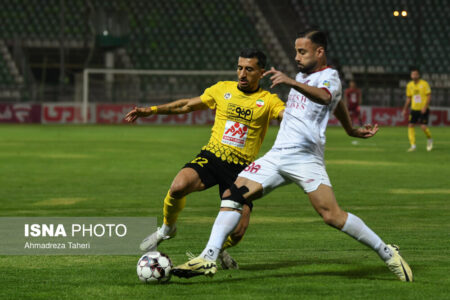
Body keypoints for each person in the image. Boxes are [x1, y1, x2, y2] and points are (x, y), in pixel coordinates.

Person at [172, 30, 413, 282]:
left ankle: (388, 254)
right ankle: (208, 258)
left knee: (331, 215)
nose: (297, 57)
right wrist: (350, 128)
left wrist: (292, 82)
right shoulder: (304, 75)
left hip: (305, 157)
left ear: (319, 52)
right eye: (296, 51)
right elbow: (337, 102)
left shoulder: (328, 76)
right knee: (233, 194)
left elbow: (327, 96)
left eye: (302, 51)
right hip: (277, 155)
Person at [125, 49, 285, 269]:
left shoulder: (268, 101)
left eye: (249, 69)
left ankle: (220, 249)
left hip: (242, 170)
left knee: (238, 233)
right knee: (177, 186)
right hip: (213, 156)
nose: (242, 74)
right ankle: (166, 229)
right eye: (239, 68)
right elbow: (187, 105)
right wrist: (151, 110)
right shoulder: (222, 89)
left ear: (261, 73)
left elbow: (288, 117)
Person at [402, 67, 433, 152]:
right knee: (410, 125)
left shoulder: (424, 84)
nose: (414, 76)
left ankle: (429, 139)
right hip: (414, 109)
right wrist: (404, 109)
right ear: (411, 75)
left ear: (418, 75)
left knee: (423, 127)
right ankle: (413, 145)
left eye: (415, 74)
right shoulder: (409, 85)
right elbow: (409, 98)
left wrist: (425, 107)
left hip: (423, 109)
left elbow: (429, 96)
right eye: (412, 74)